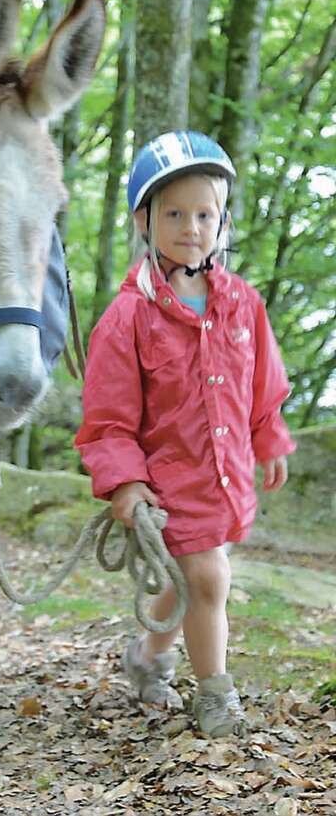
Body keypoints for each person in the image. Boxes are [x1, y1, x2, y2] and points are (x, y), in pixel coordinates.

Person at [75, 130, 296, 738]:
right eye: (174, 213)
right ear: (145, 220)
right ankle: (216, 695)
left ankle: (148, 655)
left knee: (191, 579)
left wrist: (269, 435)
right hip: (170, 484)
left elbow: (263, 382)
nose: (190, 226)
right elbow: (109, 419)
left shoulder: (242, 304)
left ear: (222, 222)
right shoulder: (127, 318)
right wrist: (123, 482)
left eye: (204, 213)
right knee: (208, 577)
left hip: (225, 476)